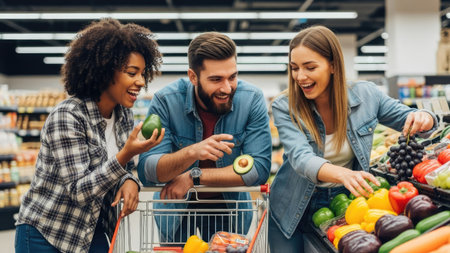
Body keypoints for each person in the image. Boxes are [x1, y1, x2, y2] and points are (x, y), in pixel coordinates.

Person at [268, 25, 437, 253]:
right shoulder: (285, 105)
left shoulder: (367, 95)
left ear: (333, 66)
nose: (300, 76)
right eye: (294, 68)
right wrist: (344, 174)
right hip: (291, 207)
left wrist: (424, 116)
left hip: (345, 202)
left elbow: (411, 119)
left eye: (310, 67)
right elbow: (300, 157)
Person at [15, 18, 164, 253]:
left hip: (91, 227)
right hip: (47, 233)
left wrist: (129, 180)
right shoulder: (68, 116)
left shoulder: (123, 115)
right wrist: (126, 155)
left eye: (143, 73)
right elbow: (78, 190)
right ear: (104, 72)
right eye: (132, 72)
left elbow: (120, 172)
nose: (141, 81)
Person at [137, 32, 272, 243]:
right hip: (175, 208)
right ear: (193, 77)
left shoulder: (251, 99)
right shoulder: (166, 101)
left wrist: (194, 176)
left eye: (233, 77)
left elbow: (260, 168)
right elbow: (148, 170)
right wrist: (192, 152)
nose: (227, 88)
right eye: (216, 79)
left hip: (229, 208)